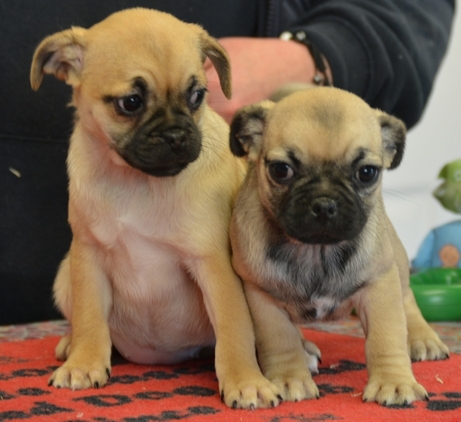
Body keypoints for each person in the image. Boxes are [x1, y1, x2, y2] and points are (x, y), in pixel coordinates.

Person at [0, 0, 455, 324]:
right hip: (45, 296)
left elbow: (411, 8)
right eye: (132, 104)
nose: (176, 132)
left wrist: (307, 54)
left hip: (243, 313)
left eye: (193, 98)